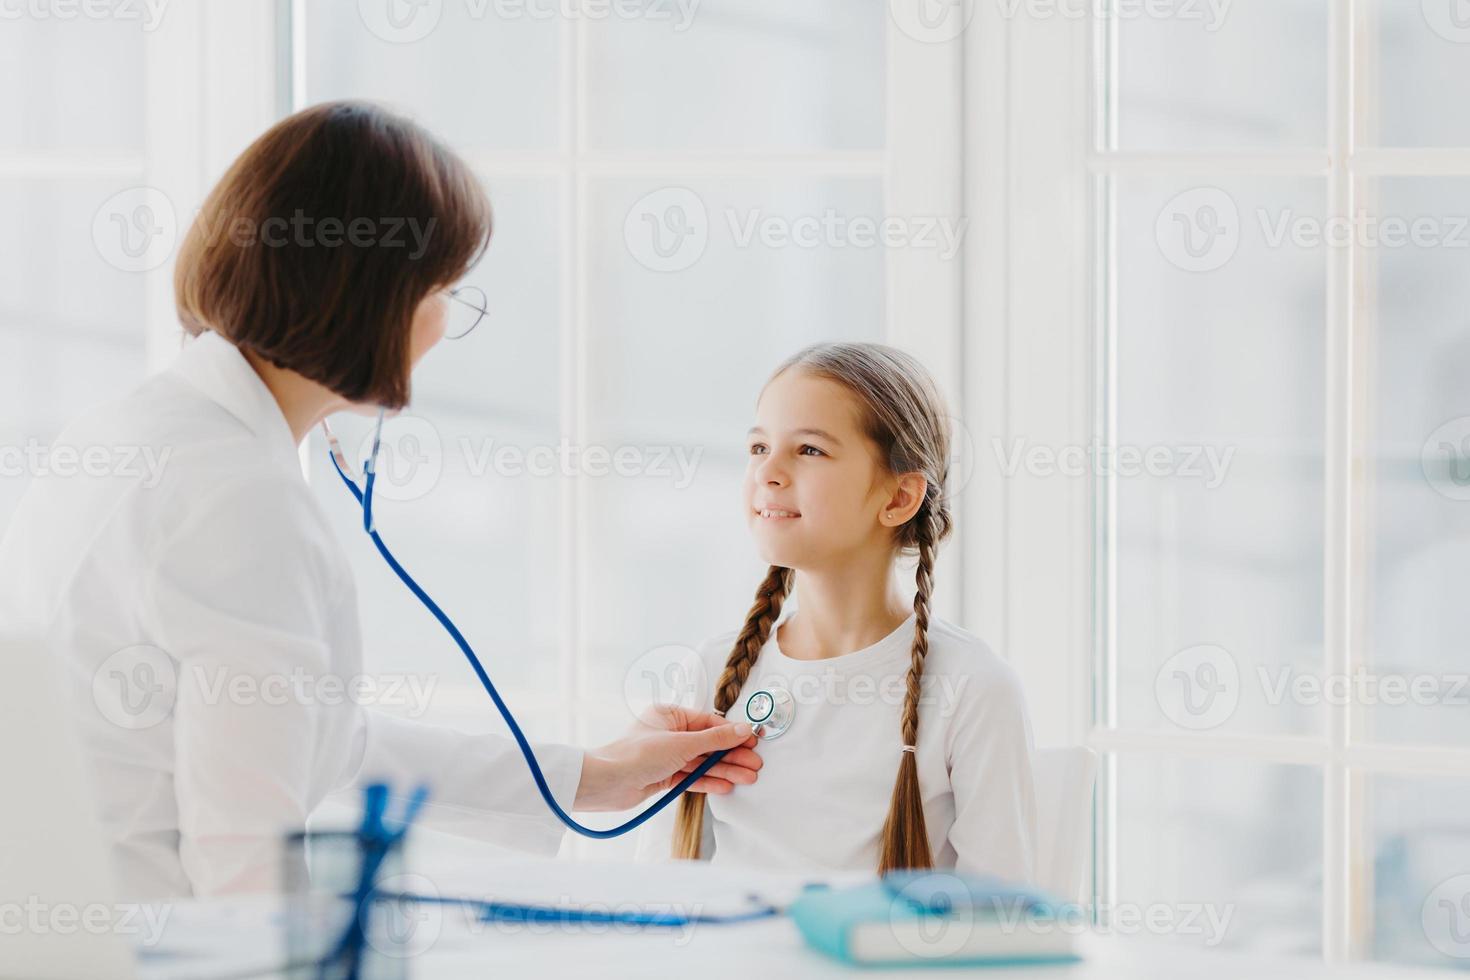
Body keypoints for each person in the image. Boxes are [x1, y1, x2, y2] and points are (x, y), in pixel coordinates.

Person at [0, 101, 761, 900]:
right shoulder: (239, 501)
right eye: (446, 290)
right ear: (373, 295)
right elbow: (248, 870)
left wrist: (587, 777)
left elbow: (306, 741)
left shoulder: (131, 430)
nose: (445, 324)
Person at [652, 343, 1037, 881]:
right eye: (759, 447)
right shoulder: (712, 669)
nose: (770, 472)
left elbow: (996, 916)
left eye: (809, 450)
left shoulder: (971, 688)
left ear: (900, 497)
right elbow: (663, 886)